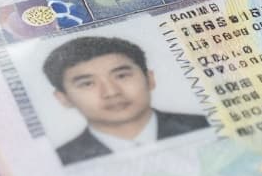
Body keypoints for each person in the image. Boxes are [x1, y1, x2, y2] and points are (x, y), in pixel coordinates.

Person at [43, 36, 208, 165]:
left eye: (121, 76)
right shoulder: (60, 161)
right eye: (87, 84)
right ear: (64, 98)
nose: (111, 92)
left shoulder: (208, 125)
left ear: (149, 79)